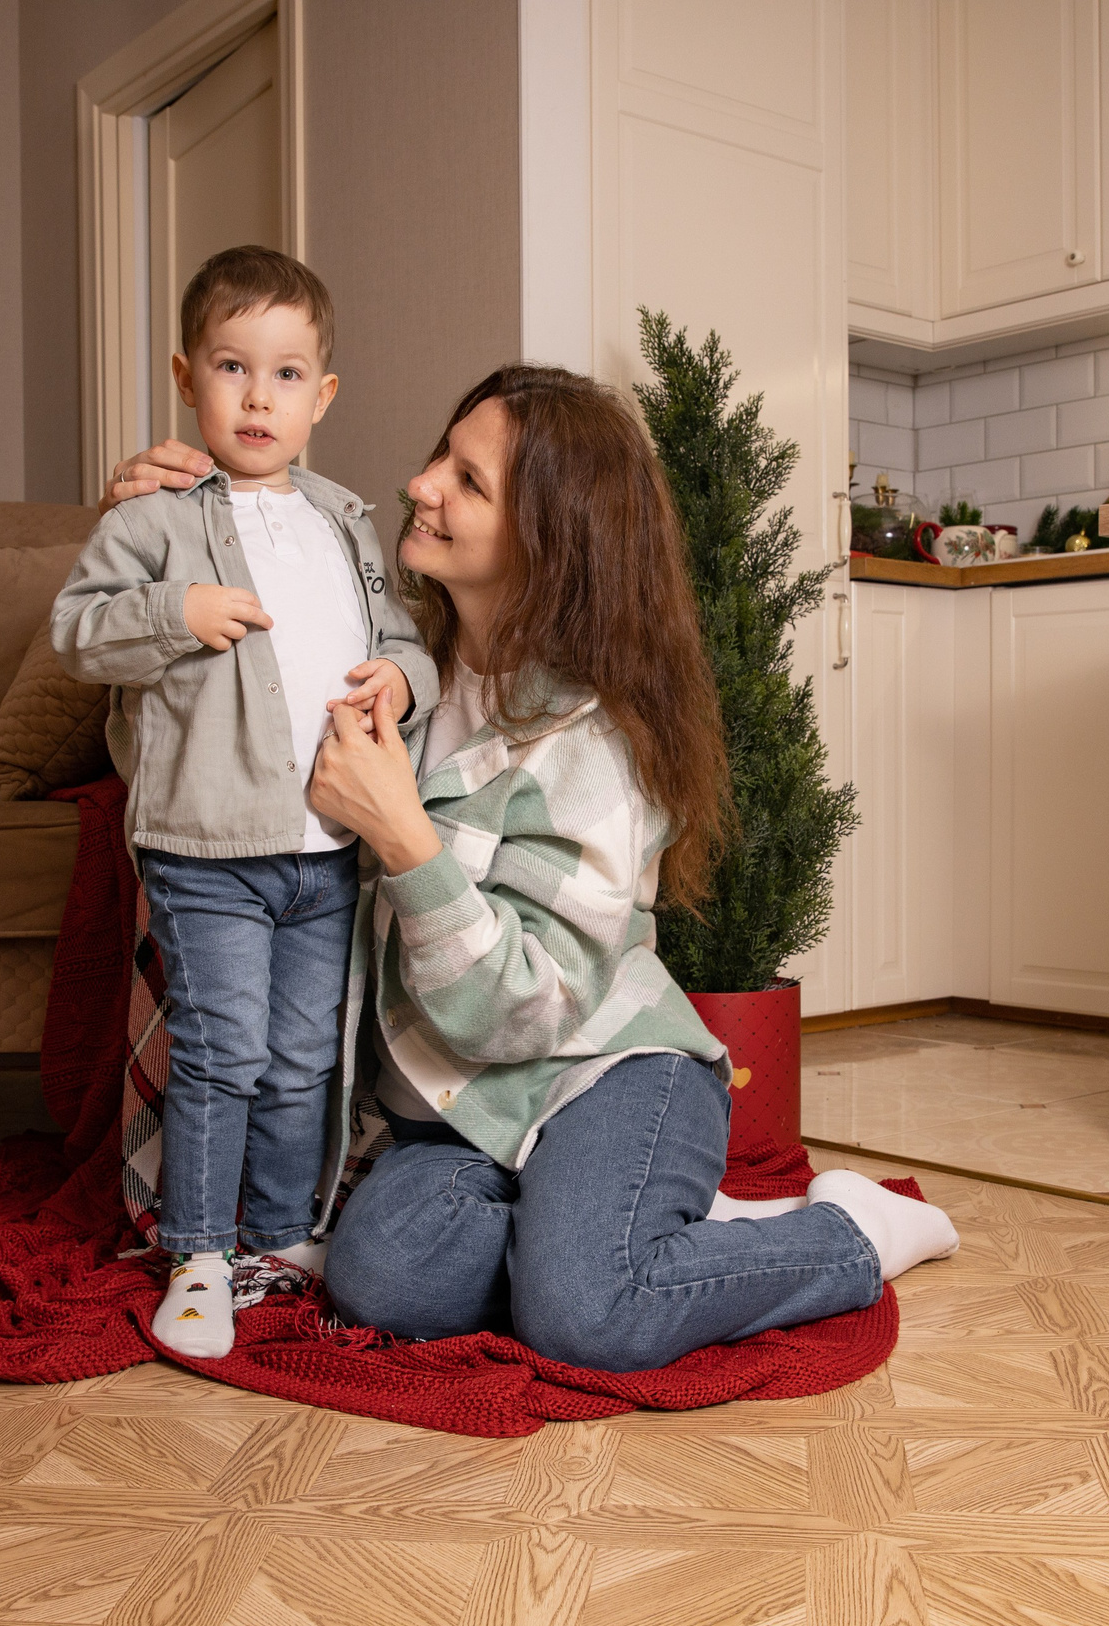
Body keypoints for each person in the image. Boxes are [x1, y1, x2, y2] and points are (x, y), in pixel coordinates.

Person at [104, 365, 957, 1374]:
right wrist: (155, 561)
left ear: (548, 544)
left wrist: (407, 843)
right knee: (380, 1281)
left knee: (588, 1316)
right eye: (440, 457)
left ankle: (849, 1233)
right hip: (458, 1118)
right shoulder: (376, 658)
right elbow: (177, 769)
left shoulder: (597, 748)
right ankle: (605, 1219)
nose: (421, 484)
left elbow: (527, 1014)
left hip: (603, 1072)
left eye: (467, 481)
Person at [53, 247, 438, 1360]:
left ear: (321, 397)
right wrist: (175, 612)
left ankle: (275, 1237)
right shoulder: (159, 519)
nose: (256, 396)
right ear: (188, 378)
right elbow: (78, 632)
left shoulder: (344, 521)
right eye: (232, 367)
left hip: (326, 851)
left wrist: (403, 679)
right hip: (208, 847)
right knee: (220, 1051)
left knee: (302, 1057)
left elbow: (401, 641)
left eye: (284, 375)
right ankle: (200, 1252)